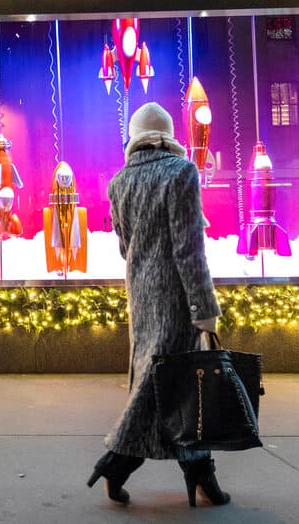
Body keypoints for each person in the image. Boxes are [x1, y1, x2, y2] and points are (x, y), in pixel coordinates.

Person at [87, 102, 230, 508]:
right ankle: (118, 460)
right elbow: (189, 249)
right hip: (177, 294)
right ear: (168, 134)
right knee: (171, 380)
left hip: (141, 292)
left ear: (135, 136)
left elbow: (123, 245)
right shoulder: (182, 172)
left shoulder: (119, 181)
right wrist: (204, 307)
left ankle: (199, 470)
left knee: (171, 381)